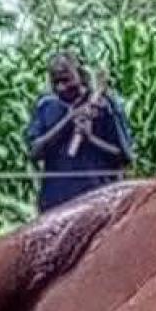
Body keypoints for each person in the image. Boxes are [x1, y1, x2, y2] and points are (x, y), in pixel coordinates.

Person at [26, 52, 133, 213]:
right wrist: (68, 120)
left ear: (80, 76)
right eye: (56, 82)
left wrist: (90, 138)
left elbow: (125, 157)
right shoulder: (46, 107)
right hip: (56, 204)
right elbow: (34, 152)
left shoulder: (105, 106)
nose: (61, 87)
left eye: (66, 79)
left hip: (99, 202)